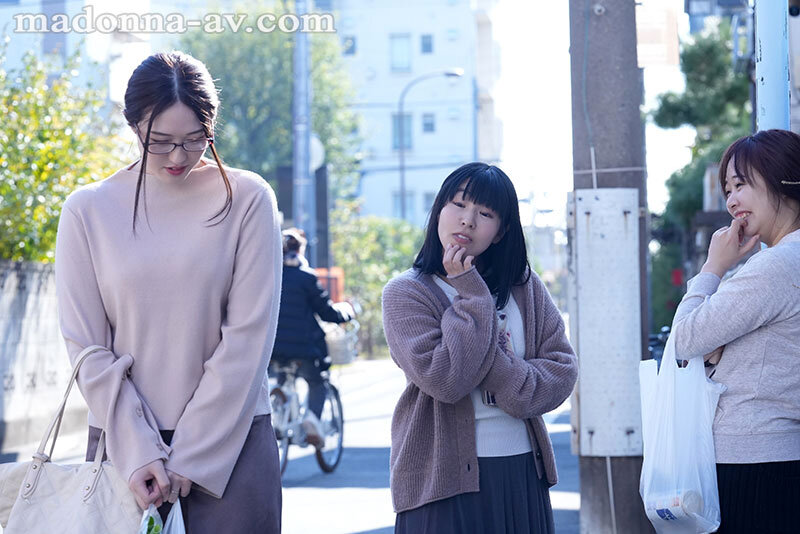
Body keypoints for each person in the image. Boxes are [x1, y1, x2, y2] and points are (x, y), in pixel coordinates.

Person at [54, 51, 283, 532]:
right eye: (160, 142)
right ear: (132, 125)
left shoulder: (247, 199)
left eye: (195, 139)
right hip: (123, 451)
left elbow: (249, 338)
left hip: (233, 446)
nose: (178, 156)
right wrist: (138, 449)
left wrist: (193, 453)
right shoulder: (86, 210)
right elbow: (87, 346)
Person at [382, 162, 578, 533]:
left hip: (521, 472)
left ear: (501, 231)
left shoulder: (524, 287)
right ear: (439, 209)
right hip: (441, 484)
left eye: (485, 213)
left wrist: (495, 367)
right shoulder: (407, 293)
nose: (467, 220)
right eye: (458, 204)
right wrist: (472, 294)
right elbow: (446, 380)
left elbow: (562, 371)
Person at [670, 129, 800, 534]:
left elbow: (684, 339)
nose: (731, 201)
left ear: (782, 180)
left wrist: (714, 266)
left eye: (741, 185)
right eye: (728, 189)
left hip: (751, 457)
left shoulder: (775, 267)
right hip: (780, 454)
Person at [271, 228, 353, 447]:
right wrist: (346, 312)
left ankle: (278, 410)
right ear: (301, 250)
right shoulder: (306, 277)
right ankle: (311, 420)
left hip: (272, 347)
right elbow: (326, 312)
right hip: (303, 348)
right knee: (317, 382)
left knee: (283, 373)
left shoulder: (269, 275)